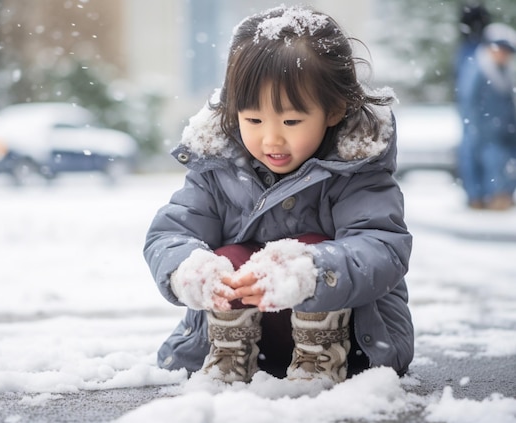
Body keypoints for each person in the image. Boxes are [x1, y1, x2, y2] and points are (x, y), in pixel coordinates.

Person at [144, 5, 413, 385]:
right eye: (254, 120)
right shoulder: (218, 169)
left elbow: (383, 249)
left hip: (352, 340)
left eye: (290, 121)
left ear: (333, 110)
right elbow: (169, 234)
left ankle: (319, 360)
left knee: (309, 246)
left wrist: (312, 271)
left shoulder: (356, 172)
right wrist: (191, 269)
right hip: (252, 339)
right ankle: (229, 356)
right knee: (229, 257)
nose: (271, 138)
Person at [458, 22, 516, 210]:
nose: (503, 54)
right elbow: (468, 103)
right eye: (499, 49)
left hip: (503, 131)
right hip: (484, 131)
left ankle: (501, 195)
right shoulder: (477, 70)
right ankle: (486, 196)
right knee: (486, 160)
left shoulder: (506, 72)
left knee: (504, 163)